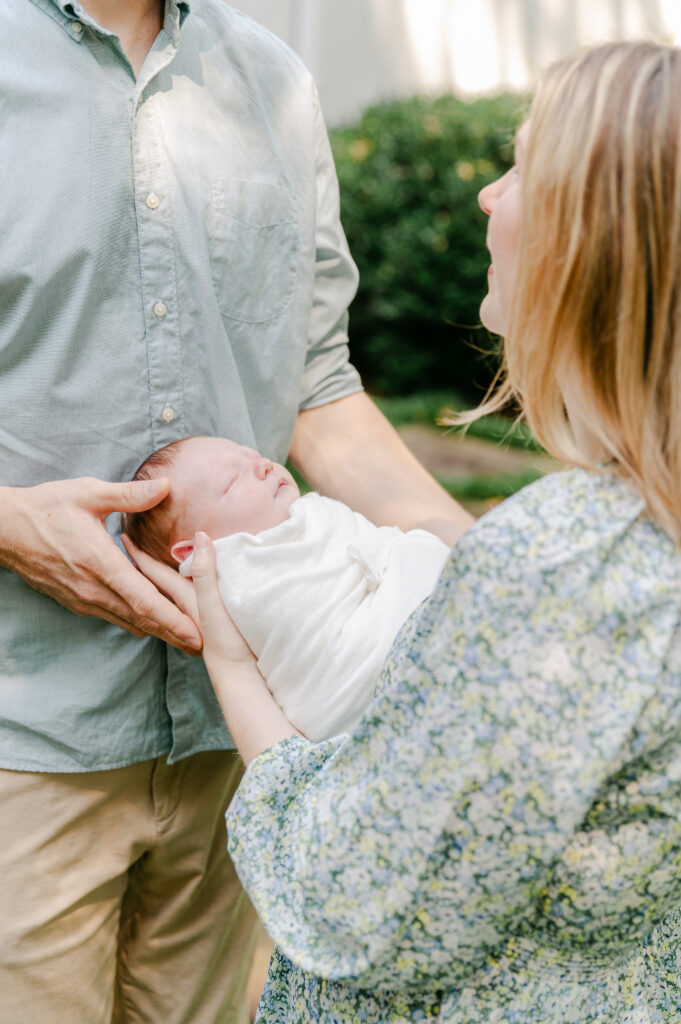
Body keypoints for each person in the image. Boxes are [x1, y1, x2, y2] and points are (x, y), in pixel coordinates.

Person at [135, 41, 681, 1022]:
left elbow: (342, 883)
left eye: (520, 168)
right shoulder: (625, 539)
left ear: (590, 243)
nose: (487, 197)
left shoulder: (555, 565)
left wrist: (232, 658)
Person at [0, 2, 471, 1022]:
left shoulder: (274, 81)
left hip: (242, 743)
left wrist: (501, 572)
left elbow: (318, 388)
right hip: (22, 732)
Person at [122, 435, 450, 740]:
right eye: (234, 479)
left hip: (344, 709)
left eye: (255, 458)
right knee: (422, 550)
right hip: (354, 683)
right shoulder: (234, 574)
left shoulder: (308, 515)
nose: (264, 466)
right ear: (193, 551)